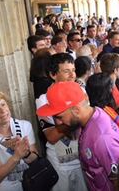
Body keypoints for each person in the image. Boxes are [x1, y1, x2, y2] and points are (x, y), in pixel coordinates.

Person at [37, 81, 119, 191]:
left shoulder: (102, 138)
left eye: (59, 117)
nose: (58, 123)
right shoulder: (88, 121)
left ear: (76, 110)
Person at [35, 53, 87, 191]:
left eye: (74, 70)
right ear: (53, 74)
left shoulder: (80, 90)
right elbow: (51, 136)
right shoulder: (43, 100)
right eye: (66, 71)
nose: (72, 75)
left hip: (83, 158)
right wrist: (73, 120)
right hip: (61, 163)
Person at [0, 90, 37, 191]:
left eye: (3, 104)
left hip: (30, 184)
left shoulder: (25, 125)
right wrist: (16, 156)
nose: (3, 110)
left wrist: (26, 153)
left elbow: (34, 159)